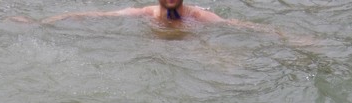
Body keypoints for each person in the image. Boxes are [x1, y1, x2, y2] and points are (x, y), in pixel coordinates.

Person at [18, 0, 286, 37]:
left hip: (189, 47)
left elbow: (234, 24)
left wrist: (285, 35)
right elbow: (97, 15)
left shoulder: (197, 15)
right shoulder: (147, 13)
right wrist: (40, 22)